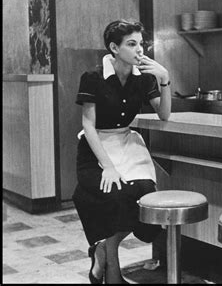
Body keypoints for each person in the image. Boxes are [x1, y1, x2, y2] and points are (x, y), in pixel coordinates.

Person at [72, 19, 171, 284]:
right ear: (114, 48)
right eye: (132, 44)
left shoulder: (144, 78)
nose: (140, 50)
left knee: (145, 196)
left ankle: (104, 249)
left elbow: (164, 115)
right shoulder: (93, 78)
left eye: (141, 44)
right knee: (116, 197)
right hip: (96, 151)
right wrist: (108, 166)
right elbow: (88, 126)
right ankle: (113, 270)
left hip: (128, 147)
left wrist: (165, 79)